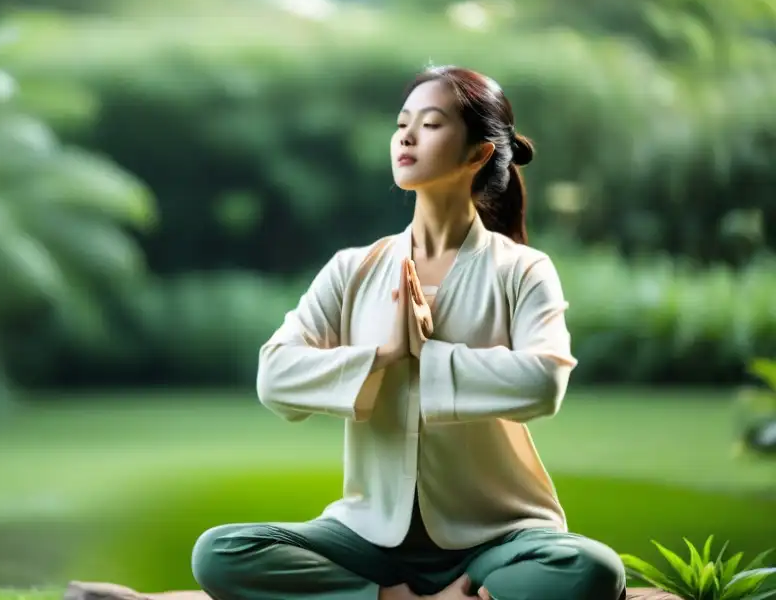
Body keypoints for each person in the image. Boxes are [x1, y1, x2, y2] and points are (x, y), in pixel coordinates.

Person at [64, 66, 627, 600]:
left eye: (430, 125)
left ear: (479, 153)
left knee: (590, 570)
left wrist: (427, 356)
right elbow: (275, 374)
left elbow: (544, 383)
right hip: (368, 538)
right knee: (222, 551)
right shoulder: (353, 268)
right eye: (401, 124)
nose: (406, 137)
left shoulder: (521, 270)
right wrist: (384, 355)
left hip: (495, 536)